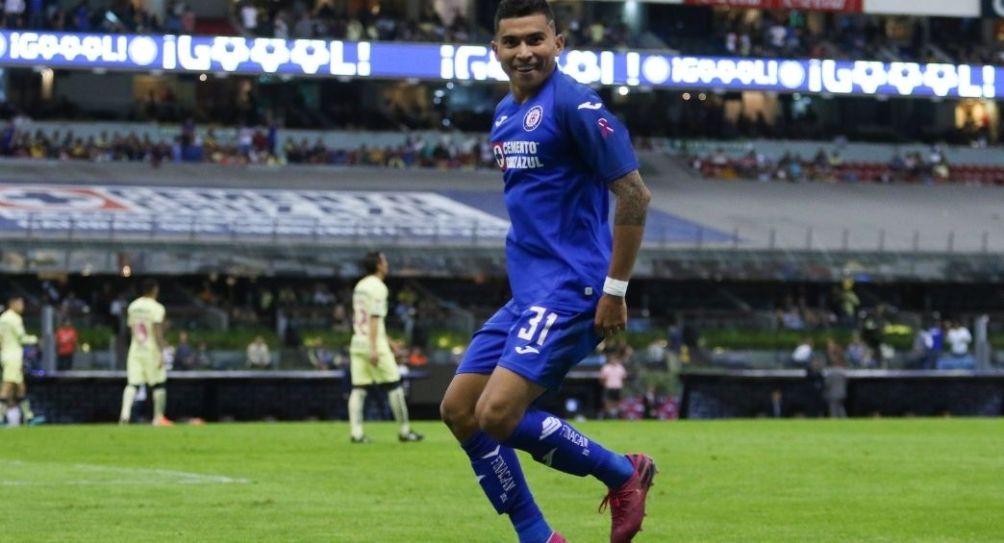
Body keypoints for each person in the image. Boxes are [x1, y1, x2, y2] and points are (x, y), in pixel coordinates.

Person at [438, 3, 655, 542]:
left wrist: (615, 289)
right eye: (511, 43)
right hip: (528, 293)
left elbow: (633, 194)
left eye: (536, 39)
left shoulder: (576, 105)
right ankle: (538, 535)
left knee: (498, 414)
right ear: (495, 51)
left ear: (559, 43)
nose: (524, 52)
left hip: (572, 288)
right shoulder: (502, 114)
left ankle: (623, 473)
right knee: (459, 409)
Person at [348, 251, 423, 444]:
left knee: (359, 388)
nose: (387, 264)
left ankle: (356, 433)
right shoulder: (379, 287)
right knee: (394, 384)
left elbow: (366, 321)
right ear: (379, 265)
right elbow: (374, 318)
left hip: (357, 340)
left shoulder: (360, 286)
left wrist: (390, 342)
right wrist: (375, 347)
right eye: (385, 260)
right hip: (373, 344)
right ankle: (405, 430)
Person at [118, 279, 171, 426]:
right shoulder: (157, 308)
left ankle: (125, 414)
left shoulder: (133, 306)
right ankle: (157, 418)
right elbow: (156, 330)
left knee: (132, 383)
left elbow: (130, 329)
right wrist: (162, 351)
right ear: (154, 290)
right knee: (159, 384)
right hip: (151, 350)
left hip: (136, 349)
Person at [0, 296, 40, 426]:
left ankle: (29, 417)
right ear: (13, 304)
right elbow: (22, 338)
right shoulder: (15, 319)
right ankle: (0, 418)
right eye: (21, 303)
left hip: (5, 355)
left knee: (21, 387)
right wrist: (36, 340)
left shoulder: (3, 318)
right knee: (7, 387)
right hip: (13, 356)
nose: (22, 306)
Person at [598, 345, 628, 419]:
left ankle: (616, 415)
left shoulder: (620, 367)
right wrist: (605, 385)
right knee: (607, 401)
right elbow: (602, 378)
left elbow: (624, 377)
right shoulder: (606, 367)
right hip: (609, 387)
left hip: (617, 387)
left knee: (617, 401)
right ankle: (609, 415)